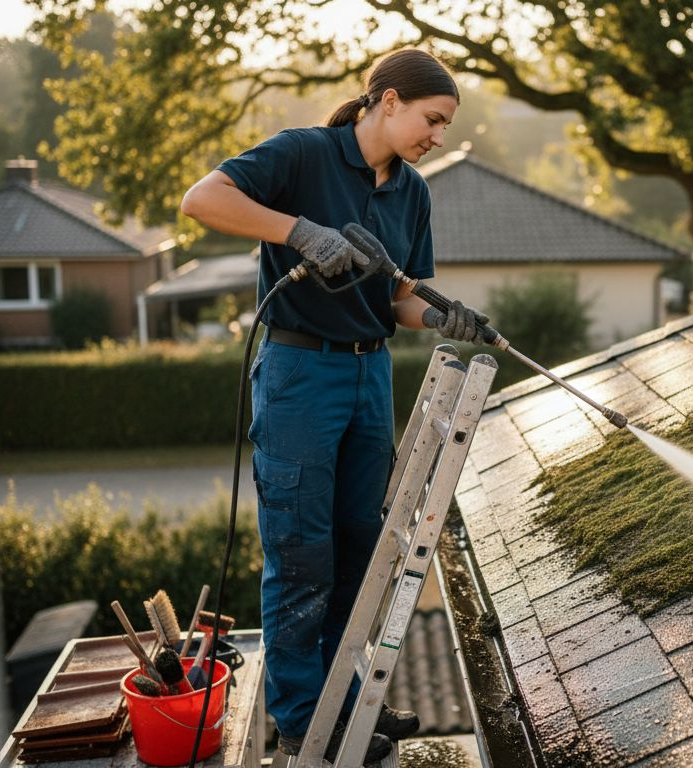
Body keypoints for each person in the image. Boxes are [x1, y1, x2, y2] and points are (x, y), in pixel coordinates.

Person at [180, 47, 487, 764]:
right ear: (386, 101)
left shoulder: (411, 191)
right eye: (431, 120)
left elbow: (401, 299)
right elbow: (201, 199)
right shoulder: (303, 155)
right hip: (298, 372)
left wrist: (441, 318)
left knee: (360, 549)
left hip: (368, 376)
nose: (437, 136)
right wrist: (297, 230)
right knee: (300, 552)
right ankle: (300, 720)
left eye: (443, 126)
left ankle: (346, 706)